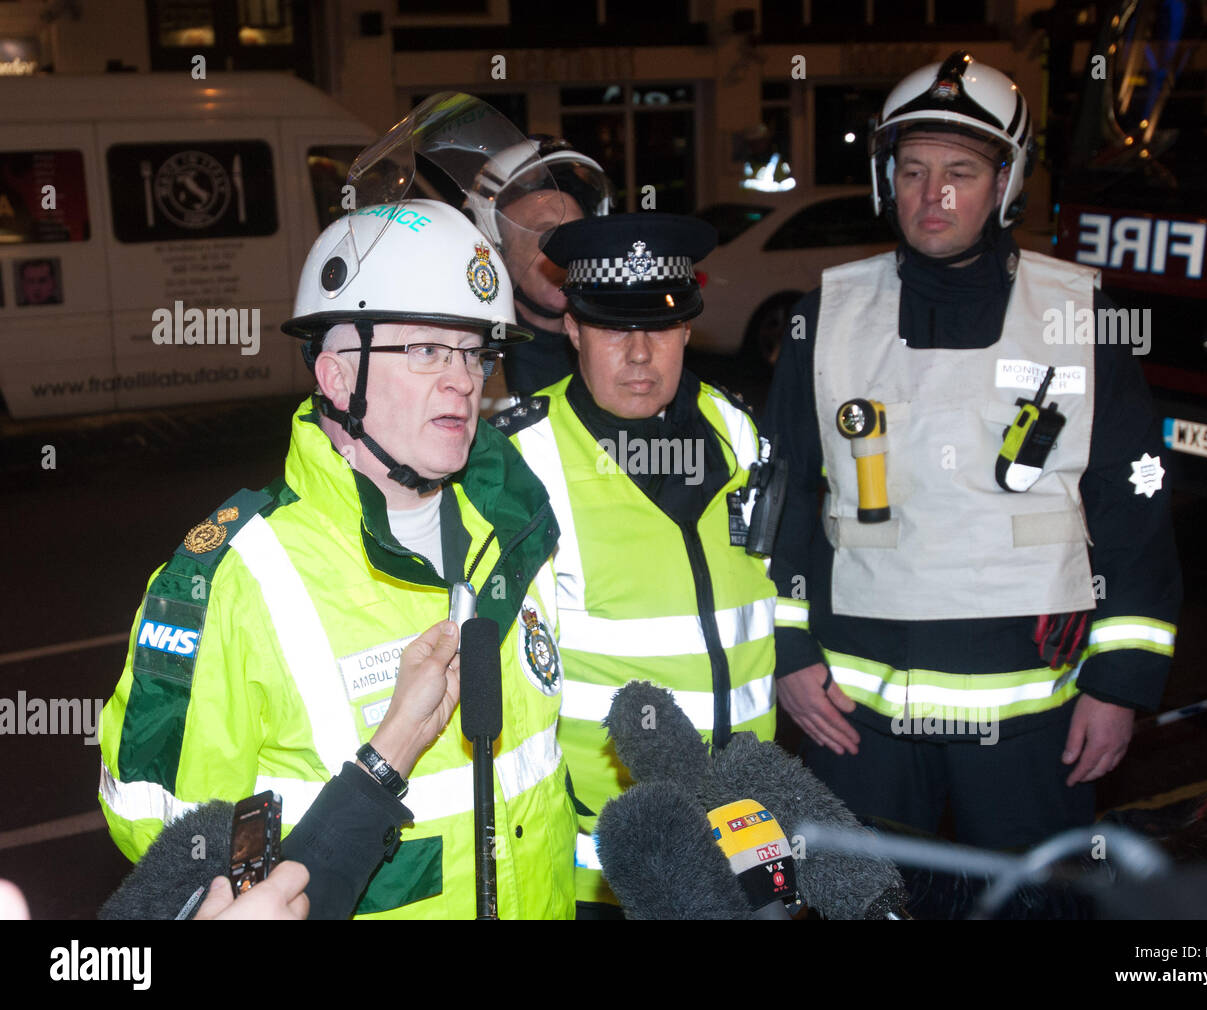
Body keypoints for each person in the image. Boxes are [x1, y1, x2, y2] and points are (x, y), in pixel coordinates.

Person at [98, 198, 577, 918]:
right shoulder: (231, 578)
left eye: (475, 352)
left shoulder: (511, 528)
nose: (463, 380)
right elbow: (162, 837)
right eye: (424, 350)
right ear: (335, 376)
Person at [762, 51, 1182, 850]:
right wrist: (788, 652)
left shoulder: (1079, 314)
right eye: (913, 169)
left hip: (1036, 722)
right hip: (860, 717)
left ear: (1005, 183)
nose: (935, 194)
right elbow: (780, 497)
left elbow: (1136, 508)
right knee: (866, 904)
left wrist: (1119, 685)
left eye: (962, 170)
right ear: (888, 180)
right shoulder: (828, 314)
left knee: (1031, 908)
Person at [490, 213, 782, 916]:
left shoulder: (738, 433)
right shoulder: (520, 460)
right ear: (573, 328)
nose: (641, 354)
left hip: (744, 827)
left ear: (688, 329)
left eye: (661, 326)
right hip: (604, 854)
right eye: (615, 328)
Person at [466, 136, 615, 396]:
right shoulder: (468, 360)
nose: (567, 250)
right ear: (495, 248)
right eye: (548, 234)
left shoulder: (621, 348)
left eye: (576, 233)